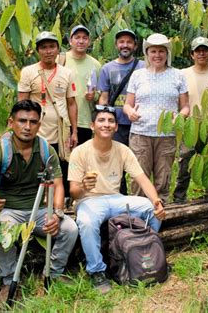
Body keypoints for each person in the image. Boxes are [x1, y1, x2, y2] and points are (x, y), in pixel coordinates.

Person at [0, 100, 78, 302]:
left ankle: (53, 273)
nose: (27, 126)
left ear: (39, 125)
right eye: (22, 121)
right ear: (11, 122)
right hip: (10, 210)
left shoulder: (45, 150)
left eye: (33, 122)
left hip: (40, 210)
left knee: (70, 228)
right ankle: (8, 281)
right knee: (3, 230)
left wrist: (56, 214)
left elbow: (59, 186)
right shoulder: (0, 150)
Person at [68, 105, 166, 294]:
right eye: (101, 120)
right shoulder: (80, 152)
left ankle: (145, 250)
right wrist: (83, 187)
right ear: (92, 126)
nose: (106, 124)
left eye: (111, 121)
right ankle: (96, 270)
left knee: (148, 207)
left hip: (115, 199)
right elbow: (73, 192)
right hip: (89, 201)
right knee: (86, 222)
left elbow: (142, 179)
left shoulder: (122, 150)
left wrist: (156, 202)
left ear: (116, 127)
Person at [123, 33, 190, 202]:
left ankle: (161, 213)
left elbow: (186, 107)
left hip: (166, 135)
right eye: (153, 51)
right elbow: (127, 104)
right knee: (139, 177)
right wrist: (130, 112)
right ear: (147, 53)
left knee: (163, 178)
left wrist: (179, 117)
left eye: (161, 51)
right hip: (141, 133)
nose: (157, 55)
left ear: (167, 53)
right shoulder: (138, 75)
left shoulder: (178, 75)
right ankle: (137, 216)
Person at [18, 31, 78, 202]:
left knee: (60, 164)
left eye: (52, 47)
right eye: (44, 47)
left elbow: (72, 103)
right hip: (36, 128)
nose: (48, 51)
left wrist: (74, 132)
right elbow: (21, 103)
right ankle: (33, 199)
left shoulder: (66, 73)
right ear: (38, 50)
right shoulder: (29, 72)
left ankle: (59, 201)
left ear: (58, 49)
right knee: (36, 162)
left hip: (60, 129)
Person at [173, 36, 208, 202]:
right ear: (192, 54)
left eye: (205, 50)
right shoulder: (182, 74)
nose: (201, 53)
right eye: (198, 50)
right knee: (184, 164)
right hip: (189, 126)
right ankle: (179, 198)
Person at [98, 29, 145, 194]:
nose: (125, 45)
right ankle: (119, 195)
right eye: (121, 42)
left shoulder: (143, 66)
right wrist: (104, 120)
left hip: (139, 123)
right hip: (116, 124)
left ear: (135, 45)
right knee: (116, 162)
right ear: (116, 45)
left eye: (129, 42)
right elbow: (104, 97)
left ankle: (140, 197)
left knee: (139, 162)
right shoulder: (107, 69)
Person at [65, 25, 101, 145]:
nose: (81, 41)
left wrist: (94, 96)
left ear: (89, 42)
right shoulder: (60, 60)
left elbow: (101, 94)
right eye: (77, 37)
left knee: (82, 161)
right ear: (71, 41)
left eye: (85, 38)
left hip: (85, 121)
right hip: (63, 121)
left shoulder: (96, 65)